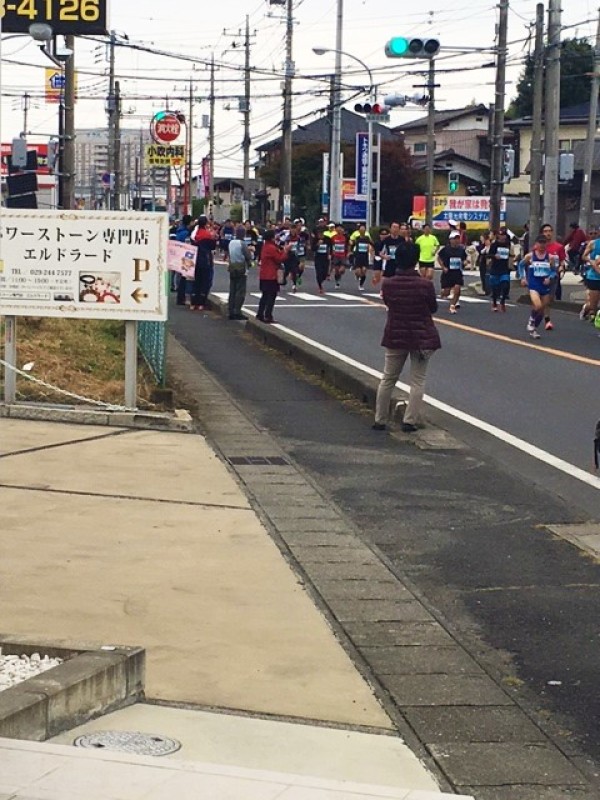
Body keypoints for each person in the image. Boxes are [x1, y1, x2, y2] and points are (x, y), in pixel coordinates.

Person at [372, 258, 441, 433]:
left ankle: (380, 419)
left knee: (388, 378)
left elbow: (388, 303)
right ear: (415, 261)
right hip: (421, 336)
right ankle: (409, 421)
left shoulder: (388, 284)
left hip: (395, 333)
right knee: (418, 380)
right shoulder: (425, 285)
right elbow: (433, 308)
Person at [520, 234, 559, 339]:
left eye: (544, 243)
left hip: (544, 285)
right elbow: (521, 265)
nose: (542, 245)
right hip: (533, 284)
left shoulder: (550, 257)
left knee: (542, 310)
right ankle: (531, 320)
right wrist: (523, 277)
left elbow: (554, 271)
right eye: (540, 243)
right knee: (537, 305)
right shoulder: (530, 256)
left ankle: (533, 328)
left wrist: (549, 277)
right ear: (536, 244)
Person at [256, 229, 291, 323]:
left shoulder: (266, 246)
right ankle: (267, 315)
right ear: (271, 237)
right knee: (271, 296)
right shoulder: (271, 248)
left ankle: (260, 313)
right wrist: (286, 251)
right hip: (270, 275)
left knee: (265, 295)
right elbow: (280, 258)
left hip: (264, 275)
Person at [539, 222, 566, 330]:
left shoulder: (559, 247)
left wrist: (561, 267)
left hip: (553, 276)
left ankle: (546, 319)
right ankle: (544, 318)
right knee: (540, 300)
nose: (548, 233)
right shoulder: (538, 247)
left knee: (549, 299)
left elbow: (562, 260)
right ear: (542, 233)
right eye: (545, 231)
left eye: (550, 231)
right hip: (540, 276)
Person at [190, 215, 217, 311]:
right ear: (206, 224)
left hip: (195, 260)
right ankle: (201, 303)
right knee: (204, 282)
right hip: (205, 261)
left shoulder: (194, 235)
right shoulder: (207, 235)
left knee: (196, 282)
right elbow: (213, 246)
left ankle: (193, 303)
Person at [436, 231, 467, 313]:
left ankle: (452, 305)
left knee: (457, 289)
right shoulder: (446, 249)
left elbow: (464, 259)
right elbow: (439, 258)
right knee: (446, 292)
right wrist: (443, 267)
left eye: (458, 238)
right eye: (455, 239)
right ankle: (443, 293)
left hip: (457, 272)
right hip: (448, 272)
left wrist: (465, 263)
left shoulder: (461, 249)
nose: (456, 240)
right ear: (450, 240)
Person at [226, 225, 252, 320]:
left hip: (232, 267)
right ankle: (237, 311)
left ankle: (231, 310)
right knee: (240, 291)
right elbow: (248, 256)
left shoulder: (231, 243)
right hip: (241, 267)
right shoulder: (242, 244)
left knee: (232, 289)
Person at [487, 227, 512, 312]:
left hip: (504, 269)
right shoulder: (494, 245)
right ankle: (494, 303)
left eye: (504, 235)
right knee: (495, 288)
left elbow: (510, 254)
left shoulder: (508, 244)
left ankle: (502, 301)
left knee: (505, 285)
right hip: (495, 269)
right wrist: (494, 256)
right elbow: (489, 255)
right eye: (501, 235)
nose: (502, 237)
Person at [579, 236, 600, 322]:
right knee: (593, 305)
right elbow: (584, 256)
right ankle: (586, 308)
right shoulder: (593, 243)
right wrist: (591, 261)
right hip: (594, 277)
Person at [350, 223, 373, 290]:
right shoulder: (357, 238)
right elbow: (352, 244)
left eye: (363, 230)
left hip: (365, 256)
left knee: (364, 270)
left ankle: (361, 285)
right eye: (361, 230)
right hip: (358, 256)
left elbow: (372, 244)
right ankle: (357, 275)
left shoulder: (367, 238)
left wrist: (372, 252)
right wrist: (350, 251)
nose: (362, 231)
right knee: (358, 272)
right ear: (359, 231)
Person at [313, 230, 332, 294]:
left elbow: (331, 247)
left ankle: (321, 281)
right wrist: (318, 244)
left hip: (325, 258)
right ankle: (320, 287)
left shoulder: (327, 239)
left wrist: (330, 254)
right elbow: (313, 249)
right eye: (318, 234)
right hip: (318, 258)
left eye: (321, 234)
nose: (320, 235)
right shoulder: (315, 240)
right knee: (319, 272)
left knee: (324, 273)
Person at [330, 223, 348, 288]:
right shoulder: (333, 237)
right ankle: (337, 282)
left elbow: (348, 245)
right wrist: (330, 253)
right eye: (338, 228)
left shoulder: (345, 237)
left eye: (340, 228)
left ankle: (340, 275)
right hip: (335, 255)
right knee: (337, 270)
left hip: (343, 256)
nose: (339, 229)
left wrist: (348, 252)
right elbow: (330, 246)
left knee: (341, 270)